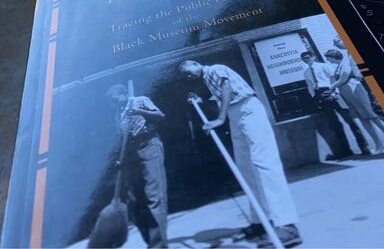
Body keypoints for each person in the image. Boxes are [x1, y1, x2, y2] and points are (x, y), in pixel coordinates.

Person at [178, 60, 302, 248]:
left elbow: (227, 88)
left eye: (187, 72)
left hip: (248, 110)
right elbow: (221, 97)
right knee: (246, 169)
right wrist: (200, 100)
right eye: (184, 76)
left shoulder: (215, 68)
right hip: (236, 116)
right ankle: (261, 221)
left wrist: (220, 118)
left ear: (196, 64)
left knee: (265, 165)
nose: (187, 77)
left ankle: (287, 225)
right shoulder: (208, 80)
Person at [106, 84, 168, 248]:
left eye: (116, 99)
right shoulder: (117, 114)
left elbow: (160, 116)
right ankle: (152, 241)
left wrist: (140, 112)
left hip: (149, 146)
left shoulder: (140, 101)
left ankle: (159, 245)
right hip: (132, 153)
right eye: (112, 102)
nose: (115, 104)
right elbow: (122, 138)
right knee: (133, 201)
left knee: (155, 197)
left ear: (124, 94)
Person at [324, 48, 384, 153]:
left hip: (356, 92)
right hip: (349, 95)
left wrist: (331, 87)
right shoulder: (337, 67)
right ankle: (379, 144)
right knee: (364, 119)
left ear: (333, 57)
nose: (328, 60)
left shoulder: (345, 63)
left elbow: (344, 78)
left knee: (372, 116)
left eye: (328, 58)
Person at [300, 51, 371, 158]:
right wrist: (315, 97)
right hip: (322, 96)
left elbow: (334, 79)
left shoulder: (324, 66)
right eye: (304, 58)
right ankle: (346, 150)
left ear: (313, 57)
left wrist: (336, 93)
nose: (306, 59)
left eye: (308, 57)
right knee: (335, 124)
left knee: (350, 120)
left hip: (333, 93)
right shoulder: (306, 72)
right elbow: (310, 86)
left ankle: (364, 147)